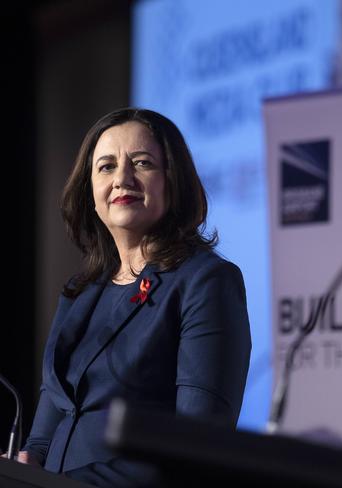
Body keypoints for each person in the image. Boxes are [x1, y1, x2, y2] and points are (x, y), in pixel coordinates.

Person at [17, 108, 252, 486]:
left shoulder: (205, 282)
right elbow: (43, 437)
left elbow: (196, 447)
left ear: (173, 182)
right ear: (89, 191)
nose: (122, 179)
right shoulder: (78, 293)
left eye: (142, 163)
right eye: (106, 167)